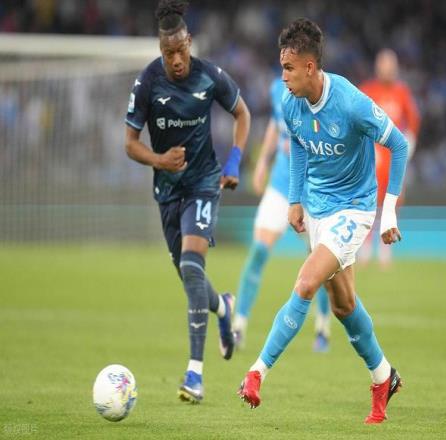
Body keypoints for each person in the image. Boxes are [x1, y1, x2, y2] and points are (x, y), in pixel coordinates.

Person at [238, 18, 408, 424]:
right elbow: (297, 144)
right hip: (317, 207)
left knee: (306, 282)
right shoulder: (291, 103)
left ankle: (256, 373)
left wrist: (387, 211)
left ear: (310, 67)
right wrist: (295, 200)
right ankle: (383, 375)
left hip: (354, 208)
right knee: (344, 304)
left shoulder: (349, 102)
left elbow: (399, 144)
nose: (283, 77)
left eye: (289, 68)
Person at [124, 0, 250, 404]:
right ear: (161, 50)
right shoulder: (147, 83)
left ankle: (195, 374)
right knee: (189, 277)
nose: (176, 60)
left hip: (204, 185)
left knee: (193, 268)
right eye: (168, 53)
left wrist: (234, 161)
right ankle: (223, 307)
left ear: (189, 42)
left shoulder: (209, 75)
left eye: (180, 51)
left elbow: (243, 114)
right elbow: (129, 144)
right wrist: (159, 160)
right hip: (167, 192)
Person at [233, 76, 331, 353]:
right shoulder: (277, 88)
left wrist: (305, 144)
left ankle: (322, 326)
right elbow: (276, 126)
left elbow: (332, 137)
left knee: (320, 261)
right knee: (259, 250)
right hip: (280, 184)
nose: (286, 69)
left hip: (314, 189)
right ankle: (238, 326)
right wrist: (263, 163)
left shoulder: (324, 91)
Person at [358, 49, 420, 267]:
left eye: (390, 65)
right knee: (367, 200)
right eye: (383, 64)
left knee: (393, 202)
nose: (387, 69)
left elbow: (413, 119)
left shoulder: (402, 92)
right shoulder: (367, 90)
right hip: (372, 157)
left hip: (393, 157)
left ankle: (386, 247)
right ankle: (365, 246)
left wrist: (409, 142)